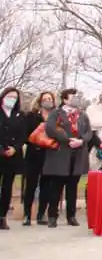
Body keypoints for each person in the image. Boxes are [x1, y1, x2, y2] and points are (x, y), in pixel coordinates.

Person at [43, 89, 92, 228]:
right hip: (61, 154)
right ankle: (52, 216)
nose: (76, 99)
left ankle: (71, 215)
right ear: (65, 99)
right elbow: (50, 128)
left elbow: (89, 131)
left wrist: (81, 141)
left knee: (72, 187)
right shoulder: (56, 113)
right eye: (73, 97)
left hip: (77, 155)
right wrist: (67, 139)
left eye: (77, 96)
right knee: (56, 188)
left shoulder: (82, 115)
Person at [22, 91, 56, 226]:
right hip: (33, 154)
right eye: (45, 99)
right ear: (40, 101)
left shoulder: (56, 117)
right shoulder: (31, 116)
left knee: (46, 186)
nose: (48, 101)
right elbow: (25, 135)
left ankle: (41, 214)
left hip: (49, 154)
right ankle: (27, 215)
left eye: (50, 99)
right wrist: (37, 141)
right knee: (30, 185)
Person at [0, 87, 25, 230]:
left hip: (13, 155)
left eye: (15, 98)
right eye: (9, 96)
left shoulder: (19, 115)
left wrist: (15, 148)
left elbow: (23, 135)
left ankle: (2, 216)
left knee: (7, 186)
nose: (12, 100)